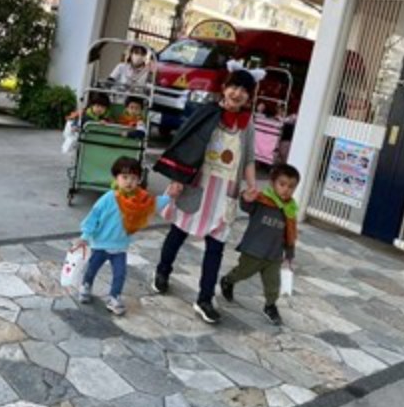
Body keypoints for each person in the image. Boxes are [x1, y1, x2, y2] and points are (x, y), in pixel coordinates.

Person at [152, 62, 265, 324]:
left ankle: (204, 298)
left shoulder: (247, 124)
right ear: (224, 88)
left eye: (244, 90)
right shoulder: (206, 113)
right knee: (178, 231)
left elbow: (248, 159)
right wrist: (177, 179)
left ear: (249, 97)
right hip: (196, 185)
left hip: (225, 193)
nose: (237, 93)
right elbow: (185, 144)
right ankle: (162, 272)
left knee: (216, 246)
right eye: (234, 87)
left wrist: (251, 186)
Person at [72, 156, 175, 315]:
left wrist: (169, 197)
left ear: (139, 180)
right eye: (125, 177)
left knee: (120, 274)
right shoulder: (108, 198)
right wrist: (85, 236)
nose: (129, 182)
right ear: (116, 178)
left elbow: (153, 203)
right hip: (101, 244)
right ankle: (86, 285)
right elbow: (93, 217)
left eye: (133, 178)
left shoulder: (140, 199)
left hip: (120, 246)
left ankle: (114, 298)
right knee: (92, 268)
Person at [219, 163, 300, 326]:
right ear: (272, 183)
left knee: (273, 284)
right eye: (282, 184)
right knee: (243, 272)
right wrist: (245, 197)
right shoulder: (262, 200)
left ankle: (270, 306)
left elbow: (289, 234)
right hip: (253, 250)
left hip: (274, 255)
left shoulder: (290, 210)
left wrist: (290, 253)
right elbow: (246, 205)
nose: (286, 189)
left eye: (291, 186)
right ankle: (228, 280)